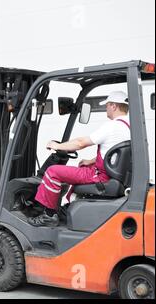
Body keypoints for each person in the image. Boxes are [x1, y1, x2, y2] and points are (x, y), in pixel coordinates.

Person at [29, 91, 131, 227]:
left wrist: (57, 145)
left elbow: (80, 143)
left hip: (101, 177)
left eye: (107, 105)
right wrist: (91, 161)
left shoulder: (112, 126)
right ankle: (68, 207)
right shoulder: (129, 127)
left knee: (52, 172)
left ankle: (49, 215)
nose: (106, 108)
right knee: (83, 166)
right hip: (112, 176)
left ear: (113, 106)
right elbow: (115, 153)